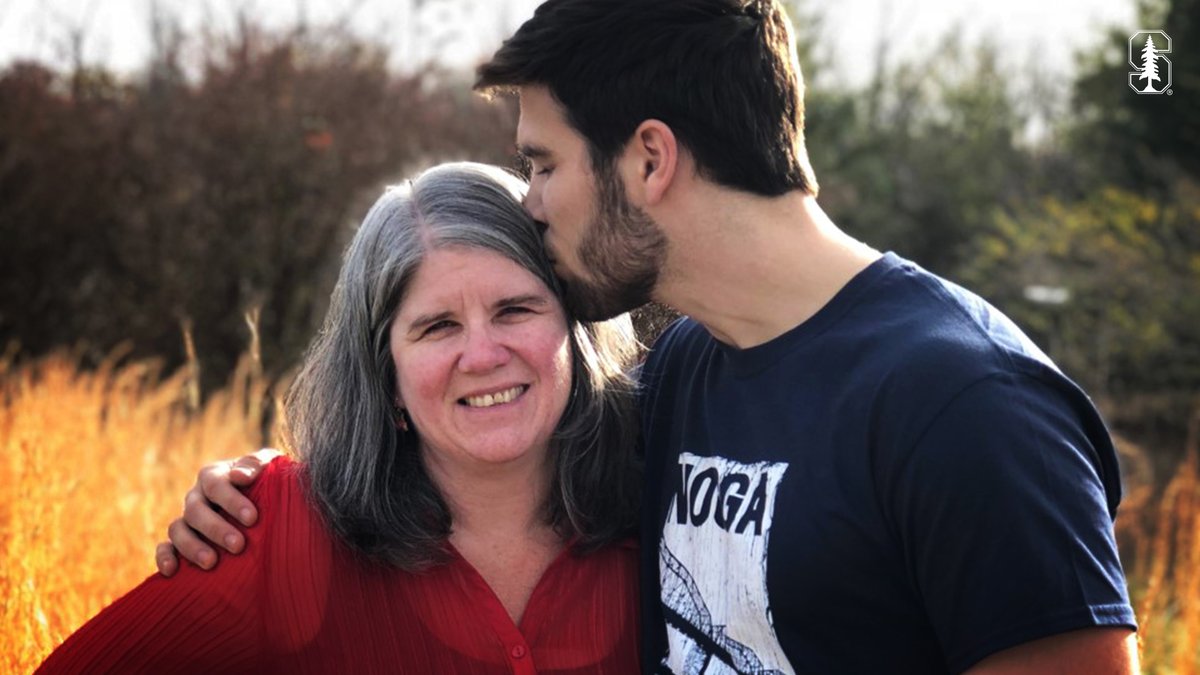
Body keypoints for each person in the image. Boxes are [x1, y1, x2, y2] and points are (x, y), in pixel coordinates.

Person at [160, 1, 1140, 673]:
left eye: (543, 165)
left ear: (650, 157)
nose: (532, 205)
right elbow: (491, 441)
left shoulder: (968, 408)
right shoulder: (682, 371)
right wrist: (264, 493)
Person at [38, 162, 644, 674]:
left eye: (515, 309)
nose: (483, 356)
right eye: (438, 327)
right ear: (387, 376)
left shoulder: (667, 507)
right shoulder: (273, 532)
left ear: (574, 328)